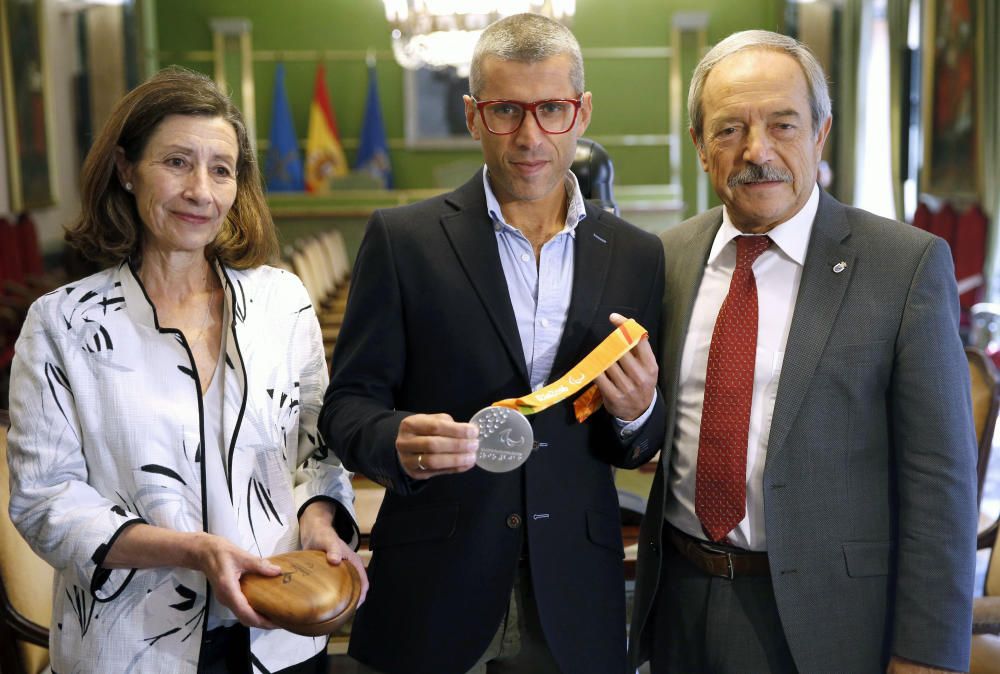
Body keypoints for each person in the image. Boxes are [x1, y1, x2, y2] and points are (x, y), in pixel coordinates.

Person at [319, 13, 664, 674]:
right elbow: (348, 407)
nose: (530, 136)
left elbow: (643, 438)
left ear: (582, 111)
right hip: (433, 581)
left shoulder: (637, 256)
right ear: (473, 115)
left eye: (552, 110)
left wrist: (639, 412)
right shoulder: (404, 239)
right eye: (506, 110)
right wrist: (395, 441)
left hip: (575, 588)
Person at [628, 30, 977, 674]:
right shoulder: (665, 257)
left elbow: (942, 481)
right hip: (677, 600)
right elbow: (651, 429)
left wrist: (927, 655)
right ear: (702, 148)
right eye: (729, 129)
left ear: (820, 134)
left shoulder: (903, 266)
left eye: (783, 124)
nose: (757, 151)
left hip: (832, 622)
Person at [6, 66, 368, 673]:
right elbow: (47, 501)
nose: (201, 190)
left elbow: (317, 453)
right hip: (131, 646)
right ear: (125, 169)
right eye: (176, 162)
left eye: (221, 169)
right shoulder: (62, 323)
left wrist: (322, 523)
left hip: (277, 633)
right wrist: (195, 551)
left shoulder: (284, 302)